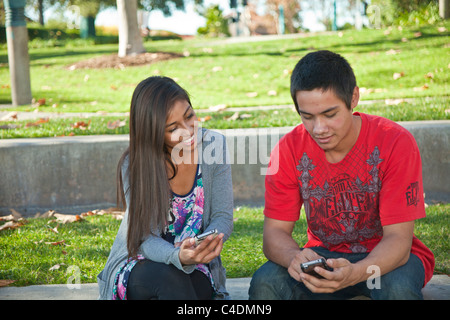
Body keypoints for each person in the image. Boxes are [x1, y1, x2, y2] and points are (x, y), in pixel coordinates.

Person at [249, 50, 435, 300]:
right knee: (265, 282)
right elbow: (274, 235)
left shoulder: (395, 142)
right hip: (323, 257)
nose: (319, 128)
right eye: (307, 117)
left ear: (354, 97)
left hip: (384, 260)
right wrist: (295, 257)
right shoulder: (287, 150)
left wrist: (356, 273)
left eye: (330, 114)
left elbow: (398, 242)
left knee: (398, 290)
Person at [97, 76, 234, 300]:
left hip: (193, 263)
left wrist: (207, 242)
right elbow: (143, 239)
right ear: (153, 133)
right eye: (173, 128)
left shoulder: (213, 146)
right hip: (140, 262)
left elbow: (222, 217)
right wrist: (176, 255)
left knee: (198, 291)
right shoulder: (134, 165)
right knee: (171, 280)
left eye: (189, 116)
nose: (188, 131)